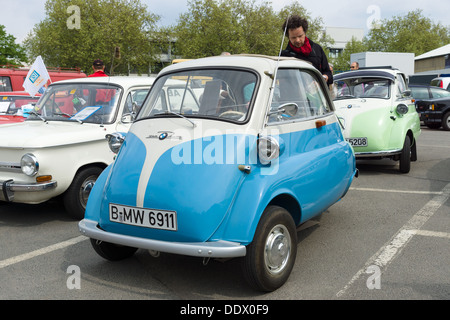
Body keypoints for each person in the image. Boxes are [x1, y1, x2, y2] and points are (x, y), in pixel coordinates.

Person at [281, 15, 333, 85]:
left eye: (300, 36)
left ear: (305, 32)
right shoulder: (284, 56)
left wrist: (322, 78)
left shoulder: (317, 49)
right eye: (293, 37)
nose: (297, 40)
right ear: (288, 37)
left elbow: (328, 73)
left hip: (318, 94)